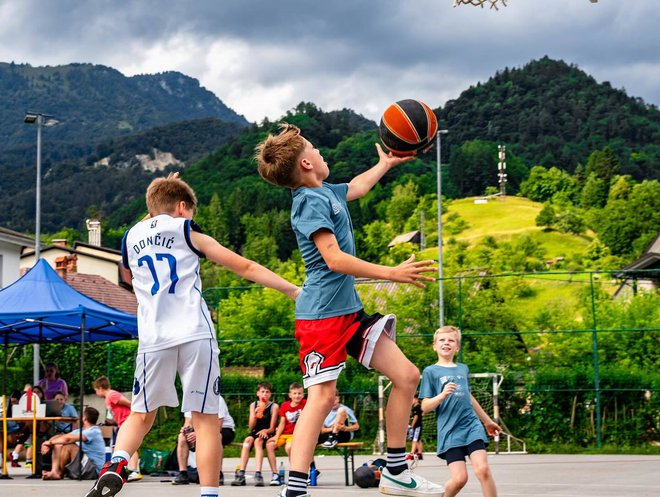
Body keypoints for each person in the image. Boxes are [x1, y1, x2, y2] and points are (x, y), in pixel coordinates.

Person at [255, 124, 443, 497]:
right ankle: (294, 488)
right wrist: (391, 273)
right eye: (316, 149)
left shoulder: (324, 191)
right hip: (322, 317)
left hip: (349, 313)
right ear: (307, 163)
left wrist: (385, 164)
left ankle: (394, 470)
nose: (322, 153)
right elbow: (334, 258)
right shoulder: (308, 203)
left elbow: (355, 188)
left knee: (406, 376)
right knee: (321, 398)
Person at [84, 173, 299, 497]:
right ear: (183, 207)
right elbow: (245, 267)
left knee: (141, 416)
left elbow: (136, 253)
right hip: (194, 334)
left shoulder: (130, 237)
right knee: (205, 420)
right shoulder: (186, 230)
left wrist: (157, 200)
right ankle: (209, 493)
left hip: (153, 340)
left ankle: (116, 463)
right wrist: (292, 289)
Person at [419, 326, 501, 497]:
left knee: (483, 469)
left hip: (471, 426)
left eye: (451, 340)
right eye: (442, 340)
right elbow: (425, 407)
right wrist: (441, 395)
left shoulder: (463, 368)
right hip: (449, 431)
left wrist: (487, 421)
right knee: (459, 479)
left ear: (457, 347)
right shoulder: (430, 371)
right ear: (434, 345)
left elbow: (469, 397)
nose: (446, 343)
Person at [173, 395, 236, 486]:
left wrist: (198, 434)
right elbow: (188, 422)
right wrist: (186, 431)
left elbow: (217, 426)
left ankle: (218, 474)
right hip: (201, 429)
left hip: (223, 428)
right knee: (181, 437)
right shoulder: (190, 399)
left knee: (217, 437)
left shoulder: (217, 400)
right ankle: (183, 473)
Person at [92, 376, 141, 481]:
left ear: (100, 388)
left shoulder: (111, 395)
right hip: (122, 424)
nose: (96, 393)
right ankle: (121, 470)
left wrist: (134, 417)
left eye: (96, 390)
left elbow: (130, 404)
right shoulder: (108, 398)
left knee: (130, 446)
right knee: (118, 447)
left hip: (128, 422)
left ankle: (135, 471)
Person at [231, 382, 279, 487]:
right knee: (247, 441)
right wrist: (256, 415)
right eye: (262, 392)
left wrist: (265, 431)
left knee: (258, 441)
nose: (264, 394)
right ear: (258, 393)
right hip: (255, 431)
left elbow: (272, 427)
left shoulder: (274, 406)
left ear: (270, 394)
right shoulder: (253, 405)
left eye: (267, 392)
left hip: (267, 433)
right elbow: (251, 427)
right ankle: (241, 474)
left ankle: (258, 474)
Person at [41, 406, 105, 480]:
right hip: (85, 466)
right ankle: (55, 471)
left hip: (93, 470)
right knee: (59, 442)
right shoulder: (81, 431)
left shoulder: (94, 431)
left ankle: (58, 473)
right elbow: (61, 436)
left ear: (84, 418)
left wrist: (50, 443)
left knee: (69, 446)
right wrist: (46, 444)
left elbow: (67, 439)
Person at [267, 382, 306, 485]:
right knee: (270, 445)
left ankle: (294, 474)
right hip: (284, 434)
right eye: (294, 393)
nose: (297, 396)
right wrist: (276, 436)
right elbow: (282, 423)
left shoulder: (305, 404)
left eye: (299, 393)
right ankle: (275, 474)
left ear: (303, 395)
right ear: (290, 395)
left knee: (289, 447)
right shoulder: (285, 406)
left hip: (295, 434)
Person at [407, 394, 423, 460]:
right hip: (417, 426)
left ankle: (412, 454)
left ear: (416, 400)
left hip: (417, 426)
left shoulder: (417, 407)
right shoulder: (415, 407)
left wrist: (412, 426)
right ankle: (419, 454)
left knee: (414, 440)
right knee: (418, 440)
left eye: (412, 399)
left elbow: (416, 417)